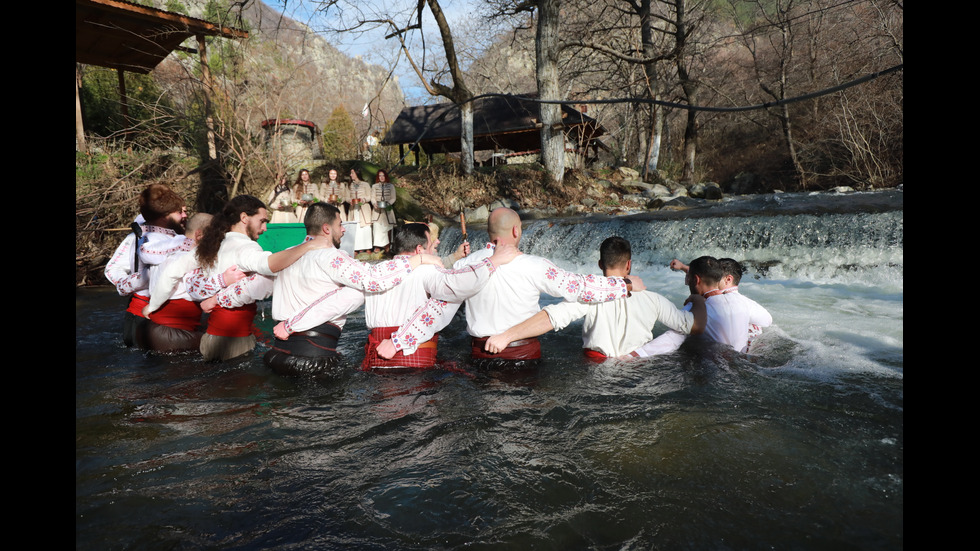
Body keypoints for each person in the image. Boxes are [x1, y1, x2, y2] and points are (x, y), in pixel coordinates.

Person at [263, 204, 444, 376]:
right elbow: (372, 280)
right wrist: (417, 260)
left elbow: (256, 288)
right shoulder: (331, 256)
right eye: (340, 224)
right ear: (326, 229)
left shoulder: (287, 254)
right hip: (313, 356)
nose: (343, 229)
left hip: (276, 354)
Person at [453, 207, 645, 368]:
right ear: (515, 231)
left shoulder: (464, 265)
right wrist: (624, 284)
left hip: (478, 358)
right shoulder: (534, 265)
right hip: (522, 358)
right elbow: (578, 287)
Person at [485, 237, 706, 362]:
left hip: (596, 371)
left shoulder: (588, 298)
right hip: (639, 371)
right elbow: (692, 326)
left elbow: (551, 318)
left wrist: (506, 336)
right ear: (629, 265)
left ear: (600, 265)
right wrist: (698, 297)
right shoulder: (655, 300)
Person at [361, 223, 518, 370]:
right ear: (419, 250)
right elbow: (456, 285)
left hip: (375, 360)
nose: (436, 244)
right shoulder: (425, 270)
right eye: (430, 244)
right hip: (412, 358)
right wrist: (493, 262)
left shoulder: (377, 272)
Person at [191, 194, 328, 362]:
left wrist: (214, 299)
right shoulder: (245, 247)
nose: (265, 228)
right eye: (262, 221)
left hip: (210, 339)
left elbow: (195, 286)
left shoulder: (216, 245)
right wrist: (309, 245)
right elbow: (268, 266)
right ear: (244, 218)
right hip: (235, 342)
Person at [631, 256, 772, 357]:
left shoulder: (696, 309)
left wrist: (633, 356)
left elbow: (671, 339)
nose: (687, 283)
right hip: (741, 362)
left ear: (696, 279)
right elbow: (767, 321)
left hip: (713, 371)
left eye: (688, 278)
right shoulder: (742, 301)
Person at [135, 213, 235, 352]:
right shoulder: (191, 259)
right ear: (199, 235)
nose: (219, 242)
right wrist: (152, 306)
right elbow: (168, 279)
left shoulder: (164, 254)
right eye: (215, 237)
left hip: (146, 331)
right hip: (173, 336)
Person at [104, 214, 148, 347]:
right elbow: (112, 268)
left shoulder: (183, 235)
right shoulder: (133, 237)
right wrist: (129, 283)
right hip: (140, 309)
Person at [348, 168, 374, 254]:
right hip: (354, 209)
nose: (351, 175)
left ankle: (368, 247)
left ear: (357, 173)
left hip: (364, 209)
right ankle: (357, 248)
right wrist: (350, 200)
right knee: (356, 227)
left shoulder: (365, 184)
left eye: (352, 173)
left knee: (365, 227)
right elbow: (347, 196)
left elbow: (370, 196)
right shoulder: (350, 185)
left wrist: (363, 199)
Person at [371, 169, 397, 253]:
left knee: (387, 227)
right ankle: (377, 246)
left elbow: (393, 197)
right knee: (377, 227)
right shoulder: (374, 186)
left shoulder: (391, 186)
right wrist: (374, 203)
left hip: (388, 210)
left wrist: (389, 203)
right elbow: (372, 197)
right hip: (377, 211)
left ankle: (387, 245)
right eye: (380, 176)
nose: (381, 177)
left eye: (383, 175)